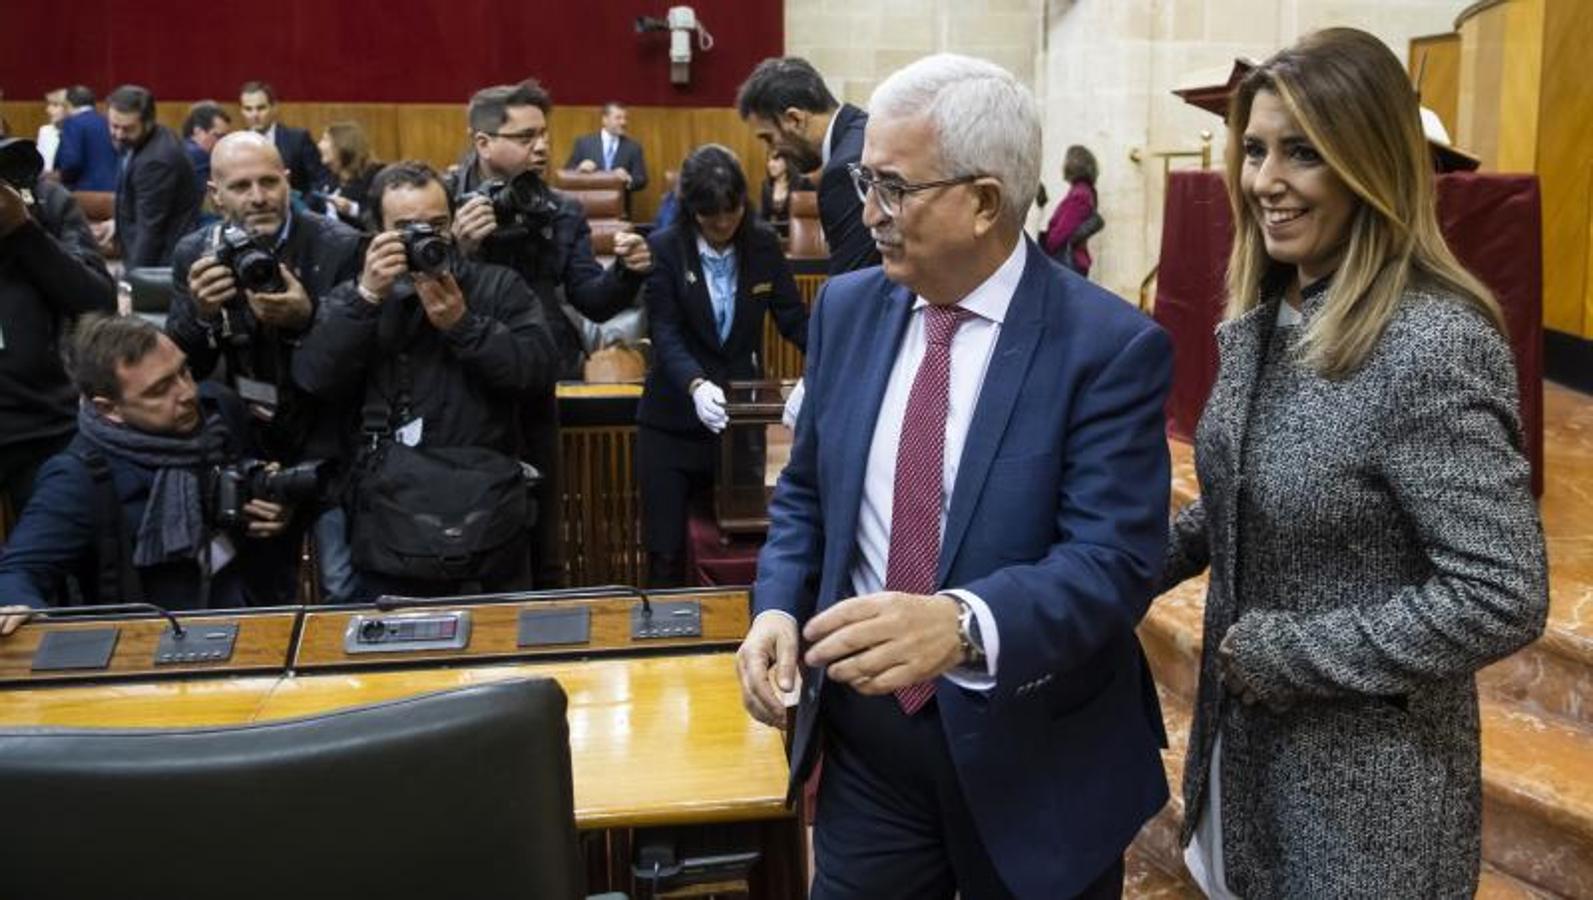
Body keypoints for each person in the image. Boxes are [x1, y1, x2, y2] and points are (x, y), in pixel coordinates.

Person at [737, 54, 1173, 899]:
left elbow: (1112, 562)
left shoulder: (1107, 346)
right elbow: (807, 495)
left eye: (894, 189)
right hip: (871, 754)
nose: (870, 214)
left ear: (982, 201)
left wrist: (962, 626)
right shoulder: (847, 308)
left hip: (1037, 756)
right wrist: (778, 606)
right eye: (865, 182)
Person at [1156, 29, 1549, 899]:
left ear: (1369, 161)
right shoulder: (1266, 317)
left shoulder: (1430, 341)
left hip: (1368, 794)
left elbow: (1502, 593)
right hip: (1244, 758)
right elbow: (1242, 496)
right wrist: (1110, 563)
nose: (1266, 181)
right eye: (1254, 150)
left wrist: (1295, 653)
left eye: (1304, 153)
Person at [293, 161, 559, 599]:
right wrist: (367, 298)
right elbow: (314, 378)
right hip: (389, 523)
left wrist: (463, 326)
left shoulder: (497, 287)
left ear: (453, 223)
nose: (424, 239)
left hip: (488, 517)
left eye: (437, 224)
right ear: (375, 231)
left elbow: (538, 371)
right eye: (406, 229)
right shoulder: (355, 294)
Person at [448, 81, 652, 588]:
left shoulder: (559, 208)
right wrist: (458, 249)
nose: (541, 147)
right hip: (461, 383)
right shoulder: (444, 201)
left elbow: (592, 300)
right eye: (524, 136)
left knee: (544, 528)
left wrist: (629, 271)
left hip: (538, 377)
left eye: (544, 134)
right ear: (483, 143)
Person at [165, 131, 365, 601]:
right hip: (251, 449)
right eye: (240, 187)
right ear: (214, 195)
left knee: (342, 587)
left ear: (288, 182)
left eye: (269, 182)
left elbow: (356, 367)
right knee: (261, 593)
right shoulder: (194, 253)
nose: (258, 198)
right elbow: (184, 369)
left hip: (333, 442)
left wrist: (308, 319)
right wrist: (201, 315)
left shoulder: (339, 245)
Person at [0, 314, 296, 612]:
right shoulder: (78, 477)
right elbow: (17, 572)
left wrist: (274, 508)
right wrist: (19, 606)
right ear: (109, 408)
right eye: (159, 390)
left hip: (258, 613)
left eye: (185, 371)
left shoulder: (219, 409)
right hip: (154, 638)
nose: (187, 393)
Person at [637, 145, 808, 588]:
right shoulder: (665, 248)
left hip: (739, 425)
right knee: (666, 552)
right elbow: (666, 333)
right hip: (672, 423)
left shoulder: (763, 244)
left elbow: (793, 319)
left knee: (743, 541)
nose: (722, 225)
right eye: (711, 217)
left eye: (731, 213)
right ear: (692, 210)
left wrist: (823, 365)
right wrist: (695, 384)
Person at [0, 139, 118, 516]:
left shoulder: (44, 200)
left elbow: (97, 302)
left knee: (52, 564)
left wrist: (23, 229)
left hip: (42, 425)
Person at [737, 56, 878, 277]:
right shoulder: (865, 131)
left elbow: (852, 287)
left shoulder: (842, 171)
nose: (773, 152)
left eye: (768, 138)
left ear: (795, 120)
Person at [108, 85, 202, 268]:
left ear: (148, 122)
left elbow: (150, 231)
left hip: (161, 265)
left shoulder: (156, 162)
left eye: (127, 128)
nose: (118, 135)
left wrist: (134, 281)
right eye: (114, 126)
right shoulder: (152, 138)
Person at [238, 80, 330, 194]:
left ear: (274, 107)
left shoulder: (298, 139)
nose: (254, 115)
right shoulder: (236, 144)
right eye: (248, 109)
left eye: (261, 108)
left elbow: (320, 180)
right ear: (241, 111)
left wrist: (302, 206)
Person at [564, 101, 648, 214]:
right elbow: (566, 172)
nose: (623, 122)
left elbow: (642, 179)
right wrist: (579, 168)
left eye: (625, 118)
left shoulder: (633, 147)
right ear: (605, 119)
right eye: (618, 118)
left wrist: (628, 179)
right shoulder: (584, 143)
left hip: (620, 210)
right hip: (588, 209)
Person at [1040, 144, 1099, 276]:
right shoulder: (1084, 191)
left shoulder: (1080, 194)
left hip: (1068, 262)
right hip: (1070, 261)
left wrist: (1044, 246)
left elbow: (1061, 233)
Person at [314, 120, 381, 228]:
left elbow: (380, 216)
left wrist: (352, 209)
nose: (319, 145)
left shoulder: (374, 176)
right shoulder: (325, 177)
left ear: (342, 144)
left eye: (325, 139)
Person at [53, 86, 119, 192]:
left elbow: (71, 163)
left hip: (86, 192)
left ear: (68, 104)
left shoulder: (73, 123)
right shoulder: (108, 121)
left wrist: (60, 177)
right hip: (116, 189)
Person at [757, 152, 812, 239]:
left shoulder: (802, 184)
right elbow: (764, 216)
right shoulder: (766, 185)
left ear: (787, 162)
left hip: (799, 237)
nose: (770, 164)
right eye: (768, 160)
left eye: (776, 160)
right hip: (775, 235)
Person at [180, 101, 231, 186]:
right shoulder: (198, 155)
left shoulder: (181, 147)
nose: (222, 142)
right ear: (198, 131)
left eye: (225, 137)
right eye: (218, 136)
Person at [37, 89, 68, 171]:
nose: (48, 110)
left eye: (55, 105)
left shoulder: (78, 132)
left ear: (69, 108)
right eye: (48, 105)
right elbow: (41, 162)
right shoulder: (44, 131)